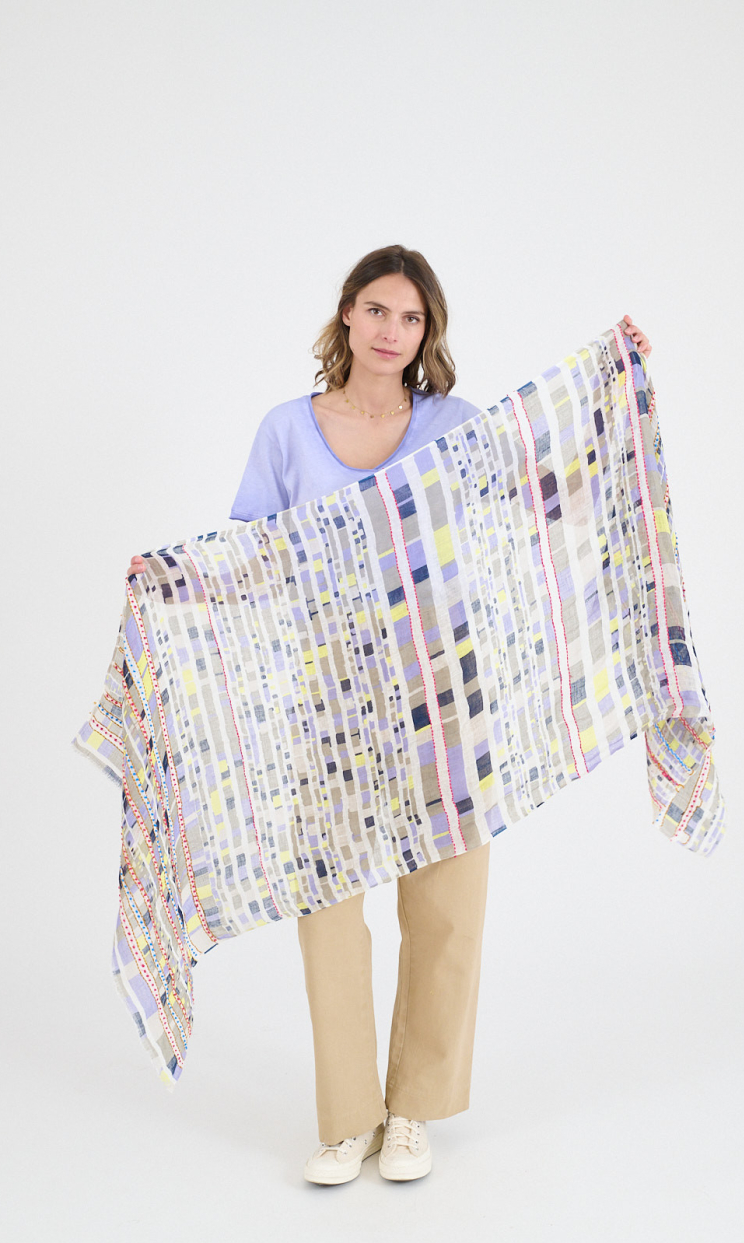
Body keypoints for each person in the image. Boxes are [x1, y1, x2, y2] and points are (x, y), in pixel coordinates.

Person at [127, 245, 652, 1185]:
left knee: (447, 909)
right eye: (377, 310)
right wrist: (176, 580)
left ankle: (412, 1110)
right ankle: (348, 1120)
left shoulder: (455, 426)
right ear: (347, 313)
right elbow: (254, 560)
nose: (391, 331)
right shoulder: (287, 431)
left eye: (411, 319)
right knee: (329, 912)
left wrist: (614, 385)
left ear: (426, 333)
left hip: (443, 695)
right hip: (326, 701)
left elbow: (541, 490)